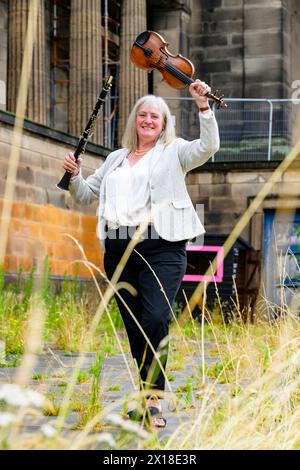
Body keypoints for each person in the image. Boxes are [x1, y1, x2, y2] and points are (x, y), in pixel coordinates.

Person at [63, 79, 220, 428]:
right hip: (118, 250)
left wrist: (204, 107)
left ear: (164, 124)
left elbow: (208, 147)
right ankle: (145, 396)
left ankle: (154, 400)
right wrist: (74, 176)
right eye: (143, 115)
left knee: (155, 319)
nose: (148, 120)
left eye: (156, 116)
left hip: (161, 246)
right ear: (135, 119)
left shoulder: (175, 151)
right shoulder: (116, 159)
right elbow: (87, 194)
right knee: (136, 328)